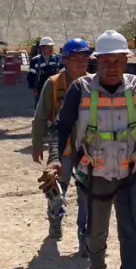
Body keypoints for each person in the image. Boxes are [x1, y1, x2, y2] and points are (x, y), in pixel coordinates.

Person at [50, 30, 136, 269]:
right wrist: (55, 160)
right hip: (94, 174)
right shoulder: (80, 89)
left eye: (118, 60)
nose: (112, 66)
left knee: (131, 234)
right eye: (106, 61)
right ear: (97, 62)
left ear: (126, 61)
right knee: (96, 233)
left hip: (131, 173)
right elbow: (61, 128)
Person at [33, 38, 92, 248]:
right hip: (62, 145)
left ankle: (86, 236)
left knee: (88, 191)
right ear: (65, 61)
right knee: (56, 187)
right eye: (75, 58)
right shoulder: (54, 84)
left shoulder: (94, 83)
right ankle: (55, 219)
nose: (81, 62)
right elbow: (40, 116)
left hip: (88, 147)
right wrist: (37, 143)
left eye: (84, 58)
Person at [28, 36, 61, 106]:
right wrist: (33, 87)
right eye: (49, 46)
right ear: (42, 48)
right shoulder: (35, 60)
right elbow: (31, 75)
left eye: (51, 46)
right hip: (40, 89)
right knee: (40, 108)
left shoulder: (57, 59)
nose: (51, 48)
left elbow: (62, 74)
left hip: (54, 88)